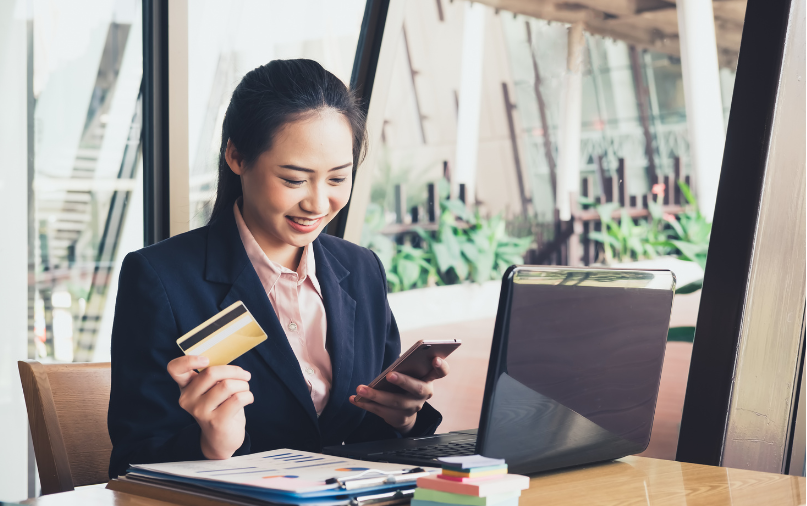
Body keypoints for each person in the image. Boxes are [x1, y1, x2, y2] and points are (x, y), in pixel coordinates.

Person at [107, 59, 449, 478]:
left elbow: (368, 436)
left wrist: (405, 419)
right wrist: (210, 445)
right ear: (236, 155)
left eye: (338, 179)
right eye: (293, 179)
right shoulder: (160, 279)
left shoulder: (361, 270)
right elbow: (130, 463)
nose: (318, 204)